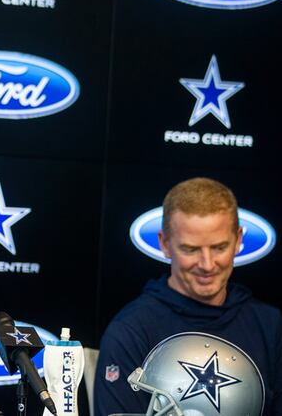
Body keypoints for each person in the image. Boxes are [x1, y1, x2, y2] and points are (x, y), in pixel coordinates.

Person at [94, 177, 282, 415]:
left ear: (239, 240)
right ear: (164, 243)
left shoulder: (271, 326)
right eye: (190, 249)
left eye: (219, 247)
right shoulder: (131, 330)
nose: (207, 264)